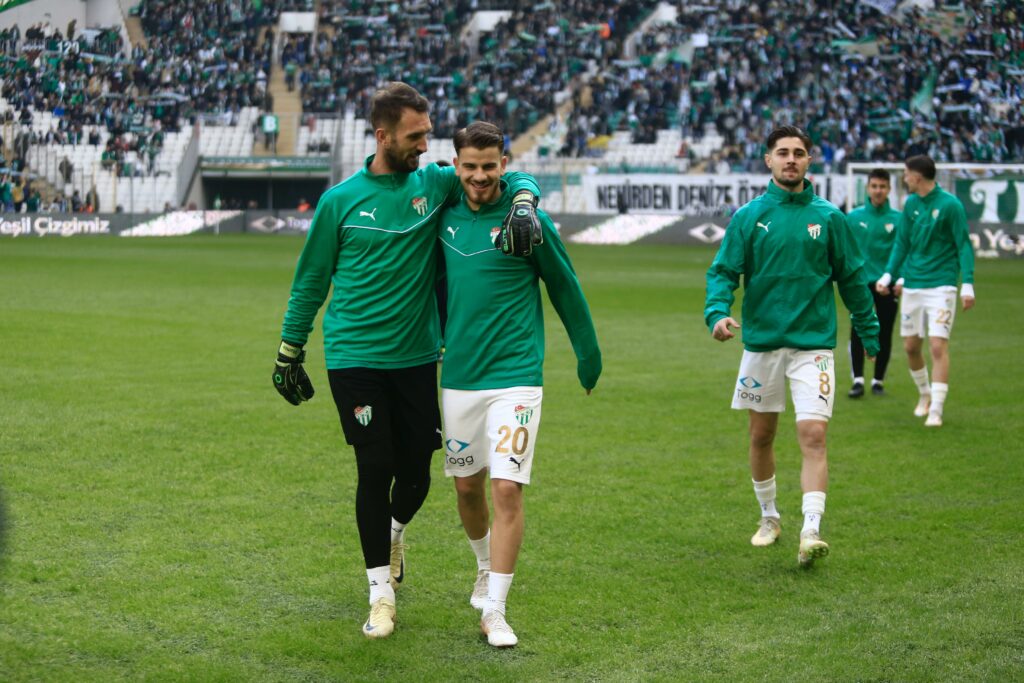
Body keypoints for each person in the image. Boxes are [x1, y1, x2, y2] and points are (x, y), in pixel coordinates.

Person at [272, 82, 542, 640]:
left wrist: (523, 201)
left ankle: (395, 533)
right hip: (355, 358)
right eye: (416, 136)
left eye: (428, 133)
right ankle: (380, 595)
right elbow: (310, 282)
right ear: (383, 135)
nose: (425, 144)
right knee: (374, 467)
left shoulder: (436, 183)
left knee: (417, 474)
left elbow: (504, 174)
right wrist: (289, 348)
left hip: (418, 358)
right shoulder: (339, 201)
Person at [439, 122, 601, 648]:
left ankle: (497, 610)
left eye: (490, 166)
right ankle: (483, 567)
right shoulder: (442, 213)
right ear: (456, 165)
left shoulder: (527, 219)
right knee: (467, 488)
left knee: (506, 487)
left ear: (504, 164)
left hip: (517, 376)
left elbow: (565, 286)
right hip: (459, 376)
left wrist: (588, 357)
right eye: (470, 166)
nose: (480, 176)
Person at [704, 125, 880, 568]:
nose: (790, 159)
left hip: (812, 346)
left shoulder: (830, 218)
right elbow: (723, 271)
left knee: (813, 435)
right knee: (761, 435)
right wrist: (717, 312)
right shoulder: (749, 216)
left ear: (809, 161)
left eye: (799, 153)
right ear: (768, 160)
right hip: (762, 344)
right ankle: (769, 517)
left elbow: (853, 279)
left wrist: (869, 329)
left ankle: (811, 530)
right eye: (782, 152)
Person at [875, 155, 975, 427]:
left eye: (906, 174)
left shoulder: (951, 205)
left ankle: (937, 410)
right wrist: (889, 274)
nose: (905, 178)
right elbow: (902, 243)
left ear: (917, 177)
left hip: (942, 285)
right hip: (913, 284)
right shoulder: (911, 204)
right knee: (911, 347)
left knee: (937, 345)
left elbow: (963, 245)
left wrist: (967, 283)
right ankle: (925, 394)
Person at [846, 169, 902, 397]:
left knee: (885, 332)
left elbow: (904, 252)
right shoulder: (853, 217)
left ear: (889, 189)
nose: (878, 191)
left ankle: (878, 381)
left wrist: (899, 279)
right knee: (858, 330)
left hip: (887, 285)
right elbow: (846, 252)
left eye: (882, 186)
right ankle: (857, 380)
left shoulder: (898, 219)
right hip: (861, 285)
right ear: (868, 188)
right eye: (874, 186)